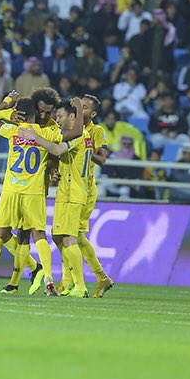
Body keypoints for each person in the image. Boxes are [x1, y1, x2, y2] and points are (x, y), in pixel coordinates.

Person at [0, 88, 83, 295]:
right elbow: (69, 137)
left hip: (25, 189)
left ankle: (1, 281)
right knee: (28, 235)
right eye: (41, 111)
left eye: (49, 112)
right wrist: (8, 111)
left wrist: (5, 109)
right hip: (30, 191)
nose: (45, 115)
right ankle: (38, 272)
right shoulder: (47, 131)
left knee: (17, 234)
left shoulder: (16, 129)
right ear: (35, 109)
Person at [22, 98, 94, 297]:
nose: (57, 120)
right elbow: (65, 159)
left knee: (70, 238)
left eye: (60, 116)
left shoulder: (79, 135)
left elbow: (57, 149)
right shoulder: (76, 136)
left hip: (73, 194)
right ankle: (68, 282)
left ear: (73, 117)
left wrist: (34, 136)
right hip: (65, 191)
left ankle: (80, 286)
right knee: (58, 236)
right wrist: (55, 172)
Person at [77, 95, 113, 298]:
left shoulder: (96, 131)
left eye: (85, 107)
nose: (80, 109)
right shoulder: (71, 127)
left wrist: (85, 149)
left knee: (71, 236)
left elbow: (102, 159)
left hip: (85, 188)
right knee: (67, 236)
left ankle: (74, 282)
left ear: (93, 113)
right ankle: (100, 278)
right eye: (79, 105)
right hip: (69, 186)